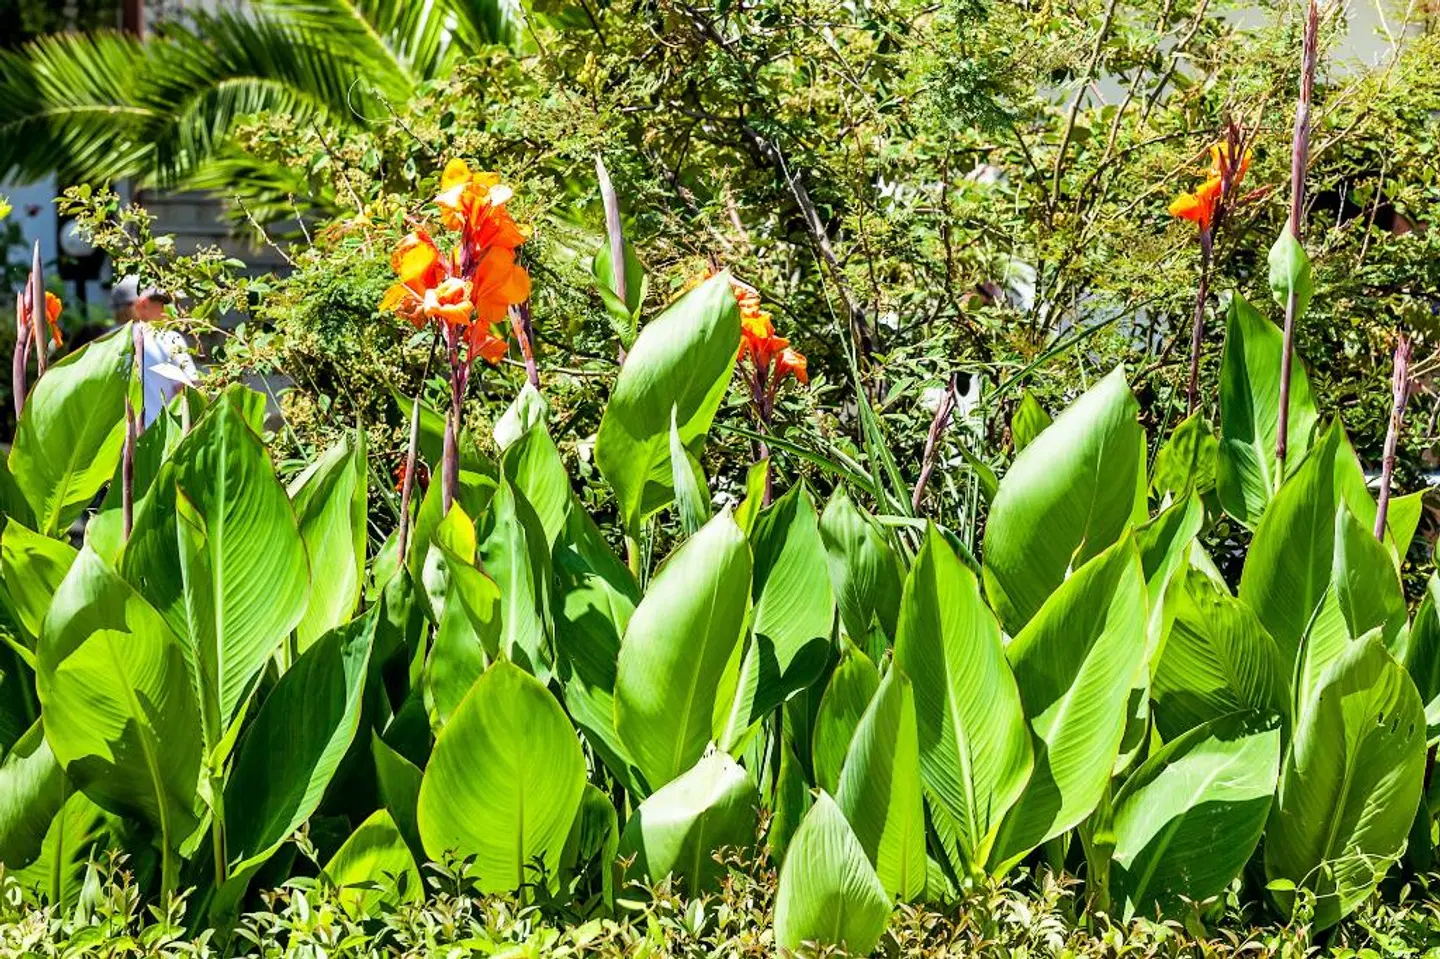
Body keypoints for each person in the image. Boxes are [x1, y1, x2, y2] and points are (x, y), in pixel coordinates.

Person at [110, 276, 198, 425]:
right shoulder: (168, 338)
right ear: (143, 304)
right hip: (162, 436)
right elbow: (190, 389)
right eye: (161, 304)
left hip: (119, 438)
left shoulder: (103, 344)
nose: (165, 311)